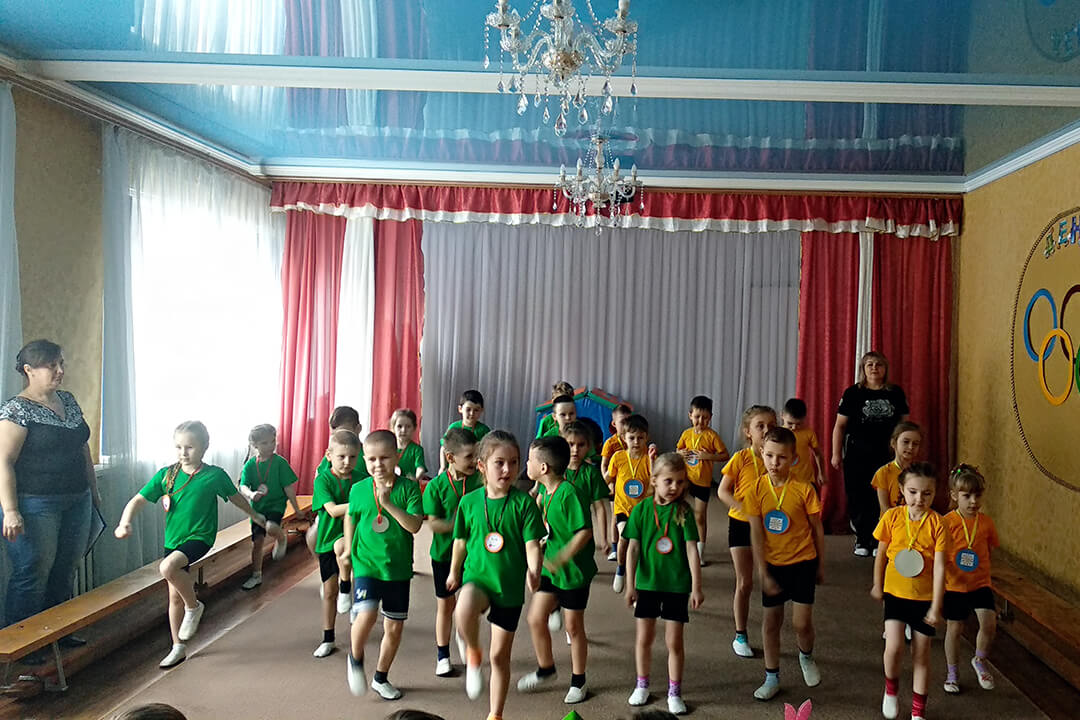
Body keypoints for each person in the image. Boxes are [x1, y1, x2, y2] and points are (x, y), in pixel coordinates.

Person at [114, 421, 283, 668]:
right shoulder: (167, 475)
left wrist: (255, 515)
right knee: (174, 596)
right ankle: (178, 646)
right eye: (179, 447)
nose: (183, 453)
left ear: (204, 447)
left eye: (190, 447)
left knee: (167, 568)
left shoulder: (214, 475)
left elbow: (236, 498)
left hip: (200, 537)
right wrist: (124, 522)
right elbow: (138, 500)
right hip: (173, 540)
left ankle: (194, 606)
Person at [0, 340, 99, 634]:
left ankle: (59, 635)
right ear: (29, 370)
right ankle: (22, 645)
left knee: (66, 569)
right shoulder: (16, 409)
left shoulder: (67, 400)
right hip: (35, 504)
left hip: (77, 498)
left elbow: (82, 447)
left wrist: (93, 492)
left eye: (61, 364)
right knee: (32, 572)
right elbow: (4, 461)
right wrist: (11, 511)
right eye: (51, 365)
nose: (59, 371)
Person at [447, 430, 544, 720]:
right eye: (499, 463)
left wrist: (534, 569)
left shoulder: (524, 503)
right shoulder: (469, 502)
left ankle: (495, 714)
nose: (507, 469)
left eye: (513, 462)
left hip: (508, 589)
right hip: (477, 578)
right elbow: (460, 541)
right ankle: (473, 653)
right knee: (463, 607)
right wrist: (454, 571)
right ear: (481, 466)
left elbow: (532, 544)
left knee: (500, 657)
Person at [743, 427, 824, 701]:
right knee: (770, 623)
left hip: (803, 562)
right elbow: (756, 533)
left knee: (802, 623)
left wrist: (821, 564)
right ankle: (771, 676)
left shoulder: (804, 489)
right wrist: (762, 570)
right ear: (762, 453)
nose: (774, 463)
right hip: (773, 565)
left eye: (781, 457)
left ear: (793, 459)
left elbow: (817, 529)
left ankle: (806, 656)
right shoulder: (755, 489)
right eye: (769, 456)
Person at [341, 430, 423, 700]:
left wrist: (388, 504)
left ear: (396, 457)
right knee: (366, 614)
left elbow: (414, 525)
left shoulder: (409, 488)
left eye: (384, 458)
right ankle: (355, 658)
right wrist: (348, 549)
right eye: (372, 459)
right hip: (366, 564)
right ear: (365, 460)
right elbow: (351, 517)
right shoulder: (358, 489)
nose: (378, 465)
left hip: (397, 568)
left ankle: (380, 677)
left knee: (394, 627)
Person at [517, 436, 596, 704]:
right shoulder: (544, 492)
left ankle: (579, 680)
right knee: (535, 618)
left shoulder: (569, 494)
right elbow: (545, 531)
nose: (526, 464)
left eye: (530, 460)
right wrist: (536, 562)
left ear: (543, 468)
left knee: (574, 627)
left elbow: (584, 532)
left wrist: (562, 557)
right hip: (550, 570)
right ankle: (546, 669)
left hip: (574, 573)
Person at [623, 453, 703, 716]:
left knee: (674, 642)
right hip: (647, 584)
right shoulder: (641, 510)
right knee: (644, 638)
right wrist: (630, 584)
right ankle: (642, 684)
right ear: (654, 480)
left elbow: (691, 550)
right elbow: (632, 549)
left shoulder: (684, 512)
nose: (675, 487)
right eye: (668, 481)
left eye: (680, 482)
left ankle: (674, 692)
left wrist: (696, 586)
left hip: (677, 586)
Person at [871, 462, 946, 720]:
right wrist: (877, 584)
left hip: (924, 599)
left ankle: (918, 711)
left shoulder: (938, 523)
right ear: (902, 490)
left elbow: (940, 567)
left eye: (927, 493)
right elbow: (881, 555)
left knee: (921, 654)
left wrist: (936, 606)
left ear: (935, 493)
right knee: (893, 648)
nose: (919, 499)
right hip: (895, 594)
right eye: (913, 492)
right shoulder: (892, 517)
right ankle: (891, 690)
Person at [832, 351, 909, 557]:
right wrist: (836, 454)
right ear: (863, 369)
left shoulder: (895, 393)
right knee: (859, 496)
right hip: (857, 454)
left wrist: (905, 453)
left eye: (878, 364)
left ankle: (879, 539)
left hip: (887, 455)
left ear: (885, 369)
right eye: (870, 364)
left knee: (883, 496)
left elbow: (904, 426)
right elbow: (840, 426)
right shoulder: (853, 393)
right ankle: (862, 538)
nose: (874, 368)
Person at [718, 405, 776, 659]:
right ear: (748, 432)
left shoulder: (777, 459)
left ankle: (771, 633)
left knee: (770, 580)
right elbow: (722, 491)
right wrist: (744, 509)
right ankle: (740, 634)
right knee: (745, 581)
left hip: (770, 527)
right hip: (741, 524)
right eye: (760, 426)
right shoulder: (741, 458)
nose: (766, 430)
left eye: (771, 425)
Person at [422, 427, 481, 677]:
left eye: (477, 455)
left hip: (474, 557)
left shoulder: (480, 480)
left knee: (471, 606)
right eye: (469, 457)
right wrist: (459, 525)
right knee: (446, 606)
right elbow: (434, 524)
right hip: (443, 556)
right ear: (450, 457)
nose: (475, 461)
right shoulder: (435, 487)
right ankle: (442, 655)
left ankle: (464, 636)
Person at [942, 464, 999, 695]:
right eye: (967, 496)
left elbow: (989, 549)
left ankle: (979, 660)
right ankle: (952, 672)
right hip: (954, 585)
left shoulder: (986, 522)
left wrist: (983, 572)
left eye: (978, 495)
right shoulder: (947, 522)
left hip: (980, 584)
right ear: (955, 496)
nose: (973, 501)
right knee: (954, 629)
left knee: (989, 624)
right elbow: (940, 554)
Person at [311, 429, 366, 658]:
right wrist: (364, 504)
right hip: (327, 539)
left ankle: (348, 589)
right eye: (341, 456)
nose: (347, 462)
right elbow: (333, 510)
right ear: (329, 455)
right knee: (329, 591)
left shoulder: (363, 478)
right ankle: (328, 638)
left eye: (352, 457)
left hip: (357, 538)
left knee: (346, 553)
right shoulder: (323, 480)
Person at [238, 424, 301, 590]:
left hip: (276, 505)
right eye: (265, 443)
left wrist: (296, 508)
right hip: (257, 509)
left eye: (273, 441)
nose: (270, 446)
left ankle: (281, 538)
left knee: (271, 526)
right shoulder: (250, 465)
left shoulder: (280, 462)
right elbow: (243, 486)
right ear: (255, 445)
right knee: (257, 543)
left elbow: (288, 487)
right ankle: (256, 575)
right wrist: (251, 494)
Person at [675, 395, 729, 566]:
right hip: (685, 480)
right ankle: (678, 545)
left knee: (700, 516)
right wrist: (679, 453)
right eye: (697, 417)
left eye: (705, 418)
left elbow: (725, 455)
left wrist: (709, 456)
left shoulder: (712, 436)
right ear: (690, 415)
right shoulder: (686, 434)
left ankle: (700, 552)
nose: (700, 421)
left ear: (710, 417)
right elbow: (678, 449)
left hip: (703, 482)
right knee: (678, 511)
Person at [307, 406, 368, 554]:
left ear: (358, 429)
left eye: (345, 431)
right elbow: (320, 475)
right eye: (335, 433)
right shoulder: (333, 454)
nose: (346, 461)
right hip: (334, 505)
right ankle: (322, 560)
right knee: (314, 534)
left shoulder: (367, 452)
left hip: (360, 508)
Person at [606, 414, 654, 594]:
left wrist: (653, 461)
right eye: (632, 438)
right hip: (623, 509)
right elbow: (607, 478)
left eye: (640, 438)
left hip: (642, 510)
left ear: (646, 438)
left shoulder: (648, 458)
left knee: (639, 545)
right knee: (624, 538)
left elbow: (655, 481)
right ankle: (620, 569)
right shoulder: (618, 457)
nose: (636, 442)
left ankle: (637, 580)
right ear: (624, 438)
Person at [562, 420, 611, 555]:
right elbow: (542, 501)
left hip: (583, 532)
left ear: (589, 446)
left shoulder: (591, 474)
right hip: (558, 531)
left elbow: (599, 508)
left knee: (582, 565)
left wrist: (604, 539)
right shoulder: (555, 470)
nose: (575, 450)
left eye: (581, 445)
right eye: (570, 444)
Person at [873, 422, 923, 517]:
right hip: (891, 521)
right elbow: (884, 507)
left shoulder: (920, 472)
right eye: (906, 442)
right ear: (893, 443)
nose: (910, 447)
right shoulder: (883, 473)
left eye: (915, 444)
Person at [439, 390, 490, 473]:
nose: (472, 413)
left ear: (481, 410)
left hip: (474, 469)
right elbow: (444, 448)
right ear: (460, 409)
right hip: (454, 469)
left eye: (476, 410)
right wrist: (442, 467)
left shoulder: (484, 430)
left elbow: (487, 451)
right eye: (468, 409)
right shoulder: (454, 427)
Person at [780, 399, 825, 493]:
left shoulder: (808, 433)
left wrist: (821, 473)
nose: (794, 427)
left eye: (799, 424)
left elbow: (818, 454)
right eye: (790, 423)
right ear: (782, 415)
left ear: (804, 418)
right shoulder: (777, 434)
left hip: (806, 480)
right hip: (784, 481)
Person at [390, 408, 428, 486]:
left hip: (409, 485)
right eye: (399, 426)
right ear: (393, 428)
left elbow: (420, 468)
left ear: (414, 428)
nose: (403, 430)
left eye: (408, 426)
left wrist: (416, 478)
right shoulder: (388, 447)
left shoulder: (417, 449)